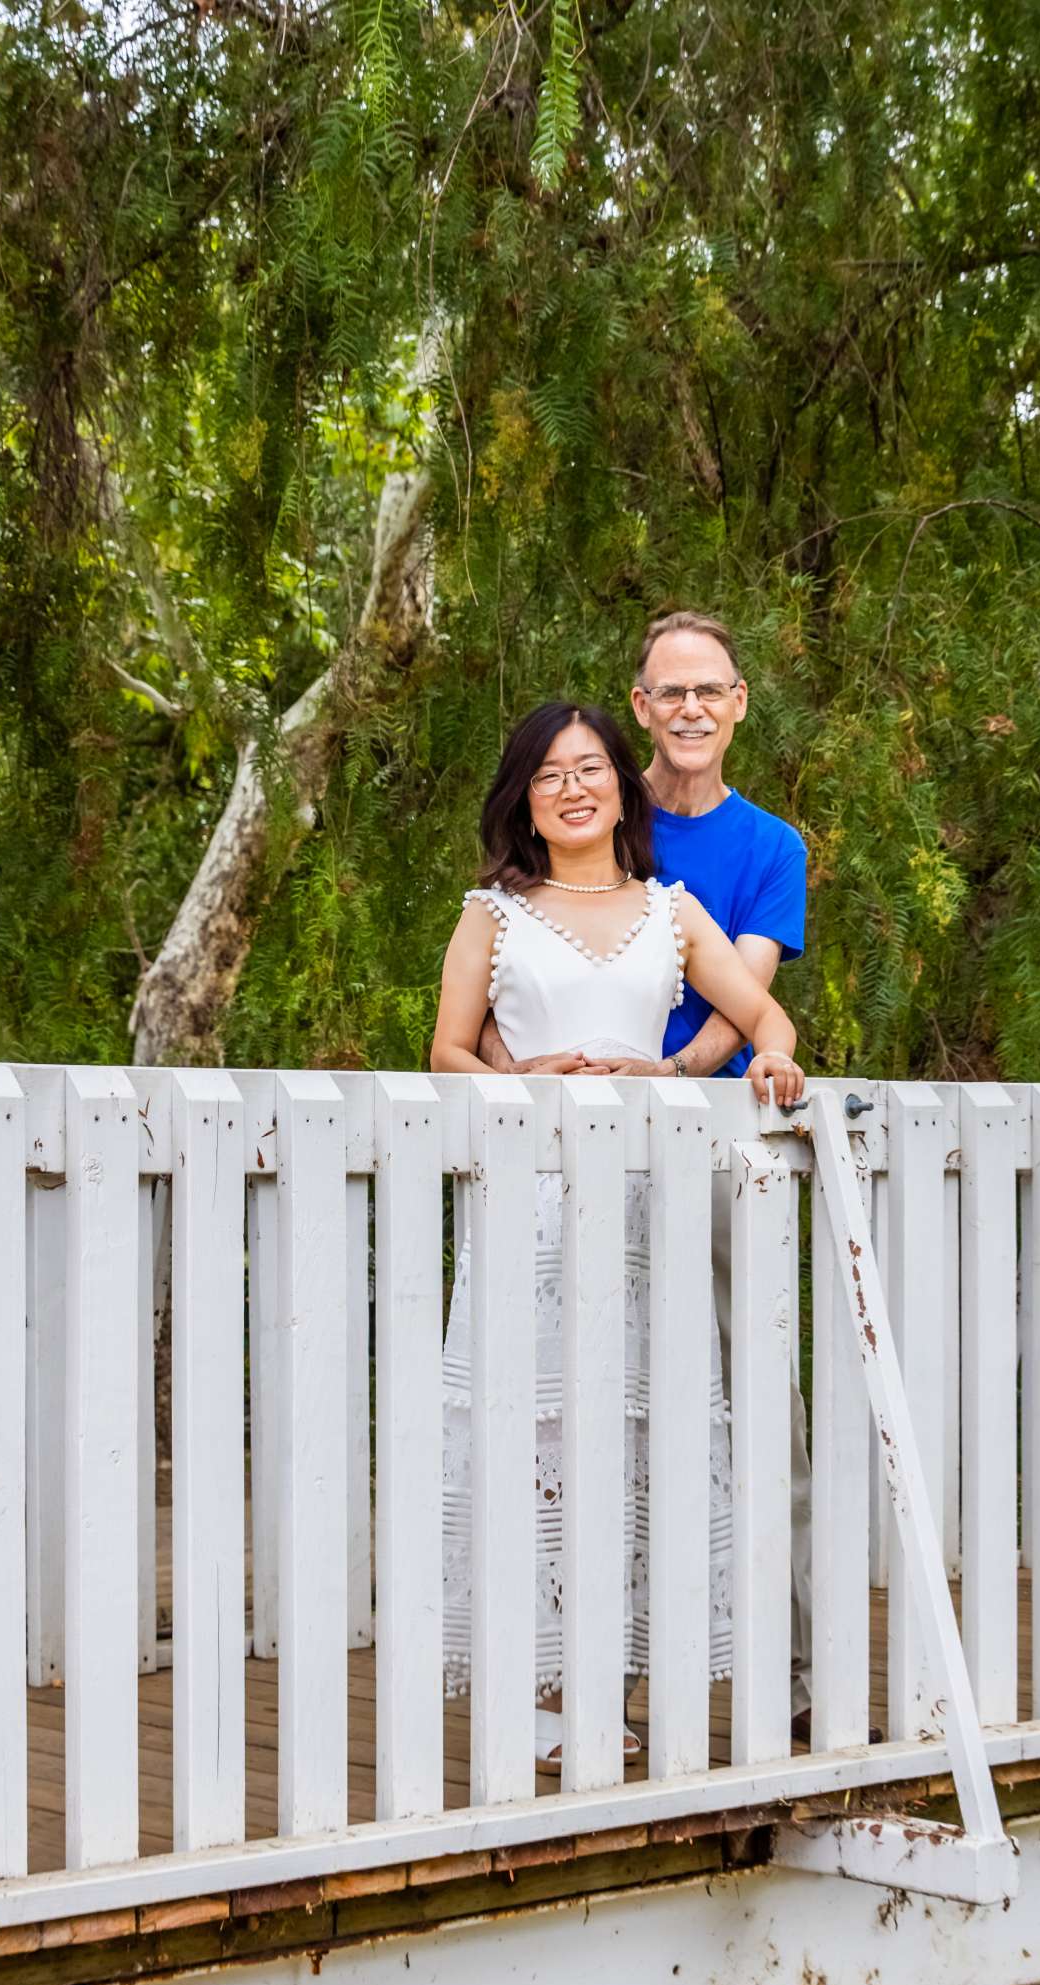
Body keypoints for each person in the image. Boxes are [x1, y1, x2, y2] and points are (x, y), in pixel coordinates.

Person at [430, 698, 805, 1770]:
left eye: (590, 768)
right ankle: (542, 1686)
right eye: (549, 775)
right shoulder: (491, 914)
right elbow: (446, 1051)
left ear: (619, 786)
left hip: (648, 1209)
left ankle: (631, 1676)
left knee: (645, 1442)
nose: (574, 787)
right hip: (531, 1213)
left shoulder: (670, 909)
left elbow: (765, 1019)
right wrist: (518, 1077)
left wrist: (753, 1063)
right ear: (525, 800)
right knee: (536, 1444)